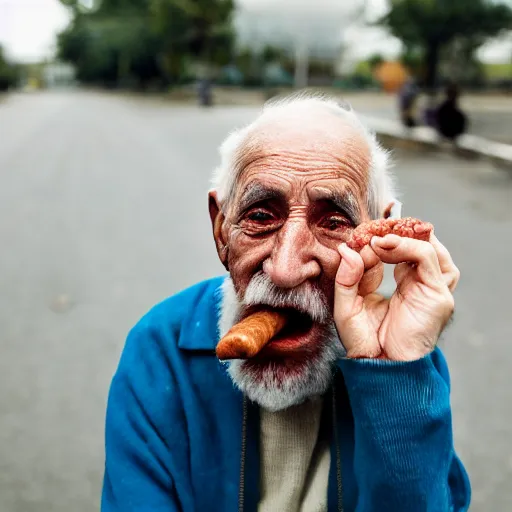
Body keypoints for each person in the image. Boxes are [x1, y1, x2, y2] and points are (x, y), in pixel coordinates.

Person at [101, 93, 471, 511]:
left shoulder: (404, 360)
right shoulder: (162, 349)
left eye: (333, 222)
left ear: (380, 237)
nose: (286, 269)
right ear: (221, 229)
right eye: (260, 216)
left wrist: (392, 375)